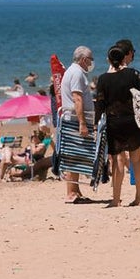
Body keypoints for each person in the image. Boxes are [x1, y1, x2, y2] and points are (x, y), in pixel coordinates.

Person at [94, 39, 140, 207]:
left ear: (108, 60)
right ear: (123, 58)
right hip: (134, 121)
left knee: (118, 160)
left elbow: (100, 103)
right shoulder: (134, 74)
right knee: (138, 160)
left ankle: (115, 200)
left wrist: (95, 123)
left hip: (115, 122)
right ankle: (139, 198)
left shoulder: (103, 79)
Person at [59, 45, 95, 203]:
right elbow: (77, 99)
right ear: (83, 59)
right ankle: (70, 193)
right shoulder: (77, 73)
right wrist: (82, 123)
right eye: (90, 60)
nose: (91, 63)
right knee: (74, 156)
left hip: (73, 118)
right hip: (74, 120)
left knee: (77, 155)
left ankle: (75, 190)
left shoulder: (72, 71)